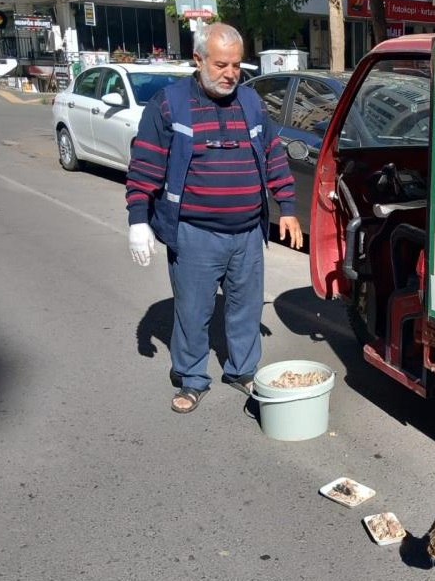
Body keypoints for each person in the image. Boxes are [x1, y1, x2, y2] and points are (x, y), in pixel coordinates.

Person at [125, 22, 303, 414]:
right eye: (221, 64)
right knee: (192, 310)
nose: (230, 74)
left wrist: (287, 208)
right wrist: (138, 219)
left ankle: (242, 371)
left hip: (246, 232)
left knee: (245, 307)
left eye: (237, 65)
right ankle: (191, 378)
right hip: (194, 233)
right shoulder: (169, 104)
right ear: (198, 59)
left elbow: (273, 155)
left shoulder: (251, 103)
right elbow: (146, 165)